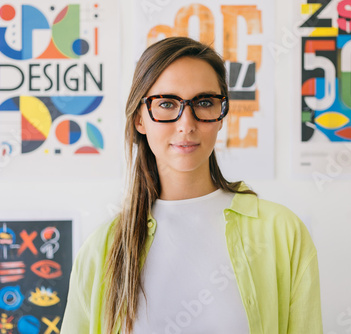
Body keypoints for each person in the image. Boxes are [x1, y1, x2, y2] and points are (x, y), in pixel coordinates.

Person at [61, 37, 323, 334]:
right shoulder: (103, 248)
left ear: (221, 116)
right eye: (166, 103)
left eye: (204, 102)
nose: (186, 124)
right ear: (139, 120)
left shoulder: (282, 231)